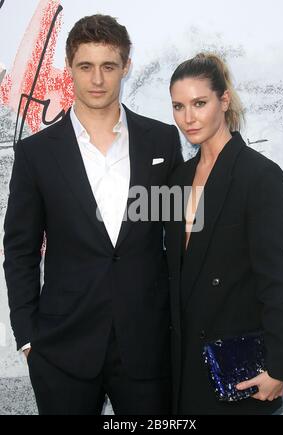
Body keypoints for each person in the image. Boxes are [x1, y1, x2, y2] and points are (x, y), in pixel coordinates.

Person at [3, 14, 182, 415]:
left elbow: (175, 236)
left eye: (108, 66)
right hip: (62, 349)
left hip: (147, 347)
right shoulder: (37, 154)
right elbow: (19, 251)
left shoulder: (161, 140)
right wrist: (28, 337)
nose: (97, 79)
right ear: (70, 68)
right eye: (86, 66)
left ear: (126, 66)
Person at [165, 52, 283, 415]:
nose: (188, 118)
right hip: (181, 370)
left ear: (224, 101)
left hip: (237, 371)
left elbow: (274, 277)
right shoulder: (177, 179)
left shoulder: (260, 176)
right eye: (178, 106)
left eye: (199, 103)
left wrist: (281, 366)